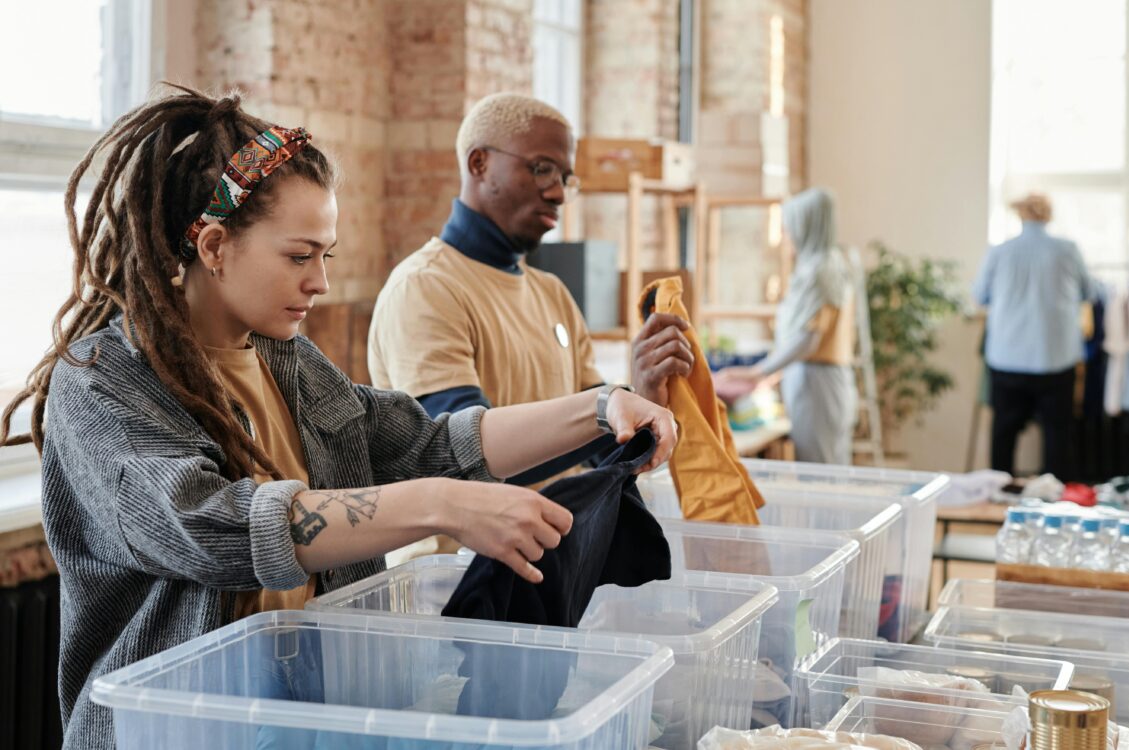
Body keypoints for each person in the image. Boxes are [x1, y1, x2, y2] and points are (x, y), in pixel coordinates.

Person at [0, 86, 676, 748]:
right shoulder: (102, 385)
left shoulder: (287, 359)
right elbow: (213, 527)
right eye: (299, 256)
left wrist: (598, 408)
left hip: (314, 715)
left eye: (325, 255)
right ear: (212, 246)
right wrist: (439, 505)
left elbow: (425, 443)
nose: (319, 281)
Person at [368, 93, 693, 486]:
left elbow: (602, 453)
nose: (557, 193)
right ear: (479, 163)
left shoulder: (552, 293)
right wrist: (606, 407)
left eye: (564, 179)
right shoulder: (425, 288)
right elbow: (460, 461)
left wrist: (643, 394)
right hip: (458, 549)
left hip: (551, 544)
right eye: (542, 169)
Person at [713, 188, 859, 465]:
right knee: (829, 466)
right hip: (823, 381)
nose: (786, 237)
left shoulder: (819, 270)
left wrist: (757, 372)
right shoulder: (830, 264)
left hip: (817, 384)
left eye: (790, 229)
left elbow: (807, 339)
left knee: (821, 471)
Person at [972, 192, 1096, 479]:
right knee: (1057, 436)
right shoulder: (1068, 250)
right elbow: (1088, 293)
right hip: (1055, 357)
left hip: (1007, 356)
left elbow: (979, 295)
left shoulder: (1000, 251)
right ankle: (1055, 504)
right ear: (1048, 215)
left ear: (1020, 215)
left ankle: (999, 497)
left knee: (1004, 433)